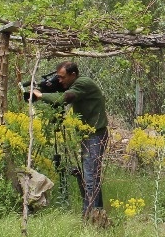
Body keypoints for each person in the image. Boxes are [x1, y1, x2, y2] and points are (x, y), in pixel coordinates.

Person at [32, 60, 108, 221]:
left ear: (73, 74)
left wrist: (40, 95)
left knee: (90, 177)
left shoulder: (82, 84)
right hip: (89, 134)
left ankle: (90, 217)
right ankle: (96, 214)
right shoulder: (75, 83)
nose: (60, 81)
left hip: (95, 135)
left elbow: (62, 99)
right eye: (58, 78)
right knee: (91, 176)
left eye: (62, 77)